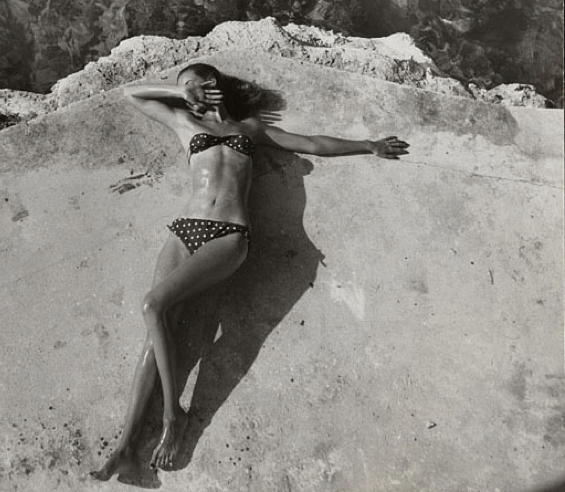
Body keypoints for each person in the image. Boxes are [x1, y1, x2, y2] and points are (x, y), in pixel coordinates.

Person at [90, 62, 409, 481]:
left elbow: (311, 143)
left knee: (153, 305)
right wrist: (177, 93)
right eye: (180, 87)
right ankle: (126, 446)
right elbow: (131, 93)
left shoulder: (250, 129)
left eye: (194, 84)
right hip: (184, 231)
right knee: (154, 332)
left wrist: (367, 145)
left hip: (228, 235)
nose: (186, 92)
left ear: (213, 85)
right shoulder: (183, 120)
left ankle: (173, 416)